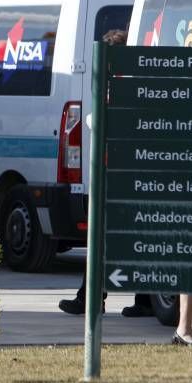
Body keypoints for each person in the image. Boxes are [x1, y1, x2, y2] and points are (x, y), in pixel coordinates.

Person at [58, 29, 153, 317]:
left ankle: (91, 299)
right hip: (128, 171)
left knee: (101, 238)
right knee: (136, 237)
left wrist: (92, 118)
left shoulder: (119, 84)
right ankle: (142, 300)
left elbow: (105, 120)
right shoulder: (134, 82)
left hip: (117, 173)